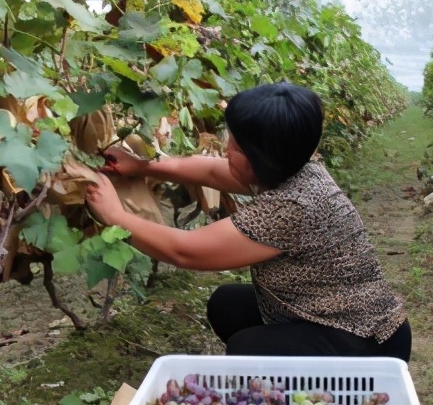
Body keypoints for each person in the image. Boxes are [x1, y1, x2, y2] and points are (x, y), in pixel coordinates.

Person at [84, 82, 411, 362]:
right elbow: (212, 171)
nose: (225, 150)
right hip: (328, 316)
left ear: (262, 158)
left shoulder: (291, 207)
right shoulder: (296, 167)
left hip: (366, 343)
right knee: (228, 304)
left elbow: (187, 252)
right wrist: (144, 167)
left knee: (248, 347)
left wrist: (115, 216)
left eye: (236, 146)